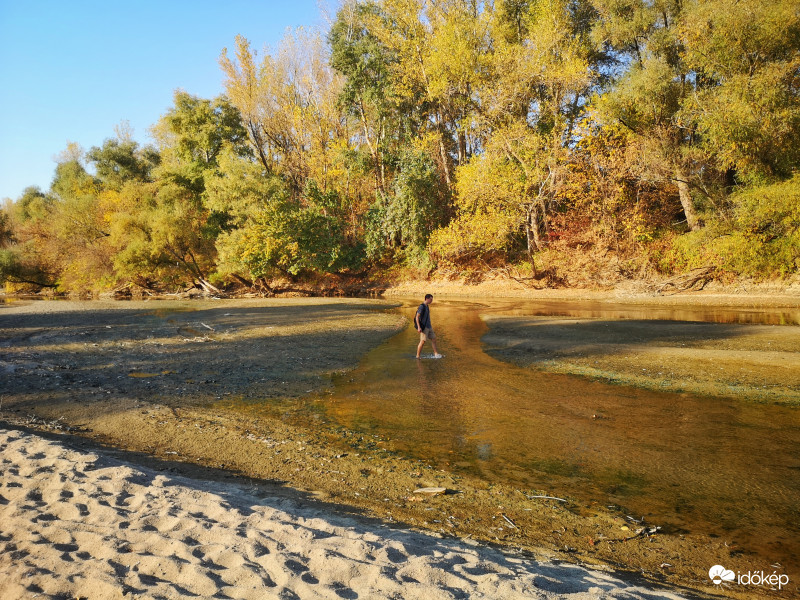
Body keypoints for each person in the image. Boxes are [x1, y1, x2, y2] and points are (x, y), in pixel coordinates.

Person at [415, 294, 442, 359]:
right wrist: (419, 327)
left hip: (429, 326)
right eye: (431, 299)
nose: (431, 301)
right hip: (424, 327)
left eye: (432, 299)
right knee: (423, 341)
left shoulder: (427, 306)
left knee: (433, 339)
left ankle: (436, 354)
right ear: (427, 299)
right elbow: (417, 317)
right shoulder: (422, 306)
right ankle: (418, 356)